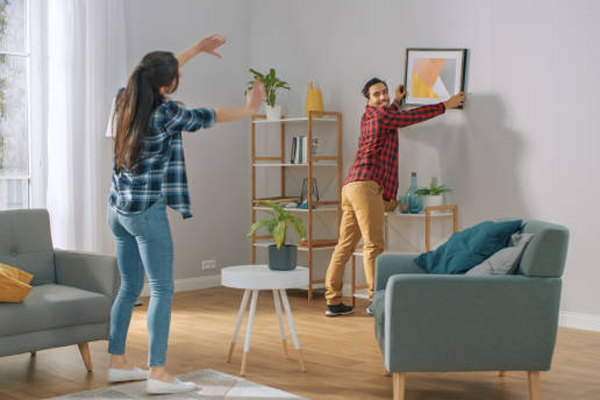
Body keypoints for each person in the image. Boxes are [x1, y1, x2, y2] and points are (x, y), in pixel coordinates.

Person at [106, 34, 265, 394]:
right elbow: (209, 116)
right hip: (146, 212)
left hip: (117, 209)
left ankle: (117, 361)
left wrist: (194, 50)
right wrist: (249, 110)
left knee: (129, 286)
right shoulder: (166, 113)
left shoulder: (123, 100)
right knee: (162, 288)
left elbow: (153, 74)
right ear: (167, 84)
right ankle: (158, 372)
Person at [324, 78, 464, 317]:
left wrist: (398, 100)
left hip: (351, 186)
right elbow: (410, 118)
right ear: (368, 100)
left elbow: (392, 116)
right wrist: (446, 104)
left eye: (385, 92)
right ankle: (375, 301)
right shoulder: (380, 116)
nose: (383, 97)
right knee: (373, 246)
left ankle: (333, 301)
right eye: (377, 94)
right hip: (366, 187)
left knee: (345, 246)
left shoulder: (371, 117)